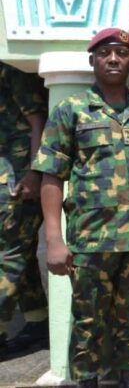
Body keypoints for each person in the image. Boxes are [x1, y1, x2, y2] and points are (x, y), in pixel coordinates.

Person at [33, 28, 129, 387]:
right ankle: (86, 380)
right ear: (93, 60)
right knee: (89, 319)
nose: (114, 59)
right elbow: (51, 175)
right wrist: (54, 239)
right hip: (91, 240)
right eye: (105, 53)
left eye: (122, 53)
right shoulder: (71, 110)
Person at [0, 62, 49, 355]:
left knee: (9, 254)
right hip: (6, 172)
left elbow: (37, 119)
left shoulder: (9, 68)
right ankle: (37, 322)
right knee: (22, 252)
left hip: (18, 177)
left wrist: (34, 171)